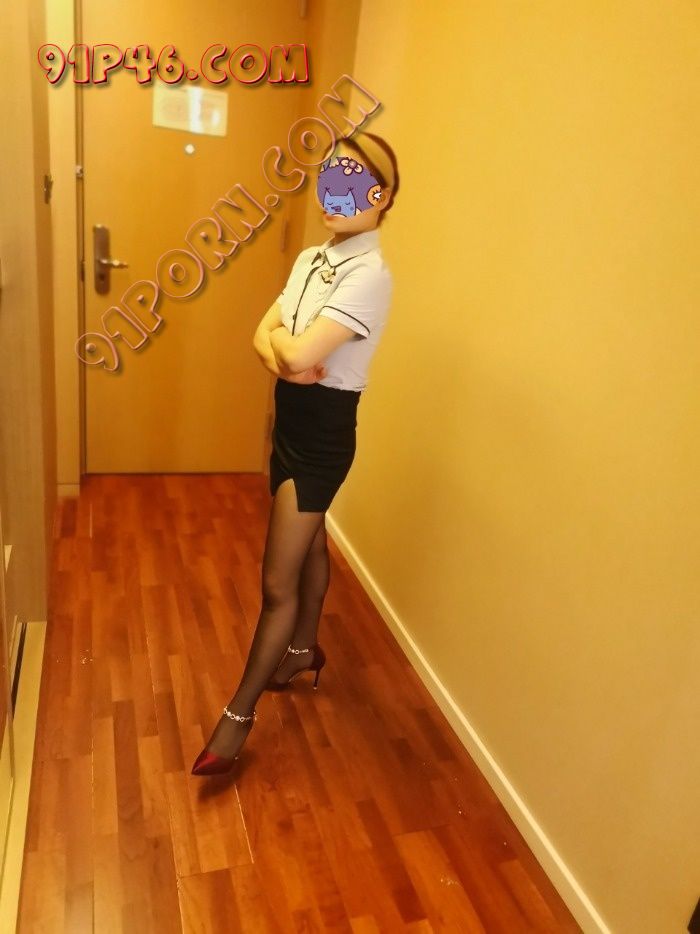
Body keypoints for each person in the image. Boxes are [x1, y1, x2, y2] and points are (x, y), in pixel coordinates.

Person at [192, 131, 400, 776]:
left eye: (352, 180)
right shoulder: (312, 258)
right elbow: (268, 338)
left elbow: (299, 351)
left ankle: (238, 718)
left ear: (381, 196)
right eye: (330, 177)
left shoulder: (370, 277)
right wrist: (286, 357)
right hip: (291, 421)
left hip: (323, 439)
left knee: (277, 583)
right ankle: (304, 650)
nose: (335, 191)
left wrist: (287, 353)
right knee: (310, 545)